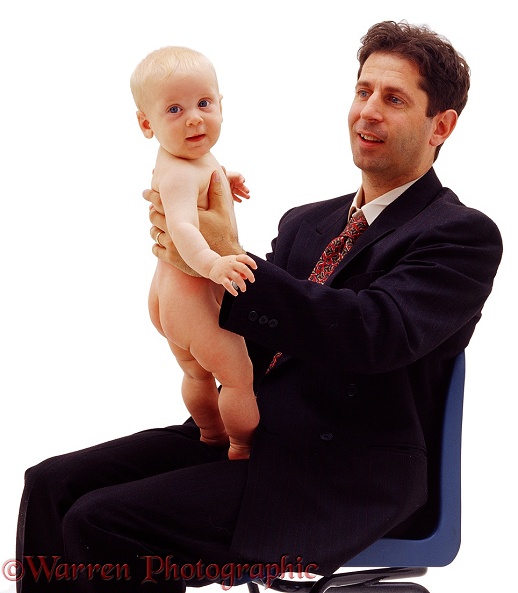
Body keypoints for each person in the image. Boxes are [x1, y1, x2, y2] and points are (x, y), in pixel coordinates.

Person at [16, 21, 502, 593]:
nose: (367, 111)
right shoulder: (308, 222)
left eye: (394, 99)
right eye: (363, 91)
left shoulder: (459, 235)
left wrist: (226, 252)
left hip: (339, 476)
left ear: (440, 126)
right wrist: (189, 264)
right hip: (253, 437)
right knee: (53, 484)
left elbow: (372, 334)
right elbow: (251, 330)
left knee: (104, 522)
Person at [130, 46, 259, 460]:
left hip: (167, 299)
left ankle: (209, 435)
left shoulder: (189, 155)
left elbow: (201, 177)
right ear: (146, 124)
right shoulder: (183, 171)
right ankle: (242, 446)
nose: (194, 117)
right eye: (174, 109)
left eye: (204, 103)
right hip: (192, 300)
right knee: (238, 378)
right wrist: (214, 262)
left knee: (196, 373)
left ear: (221, 104)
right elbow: (183, 228)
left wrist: (224, 175)